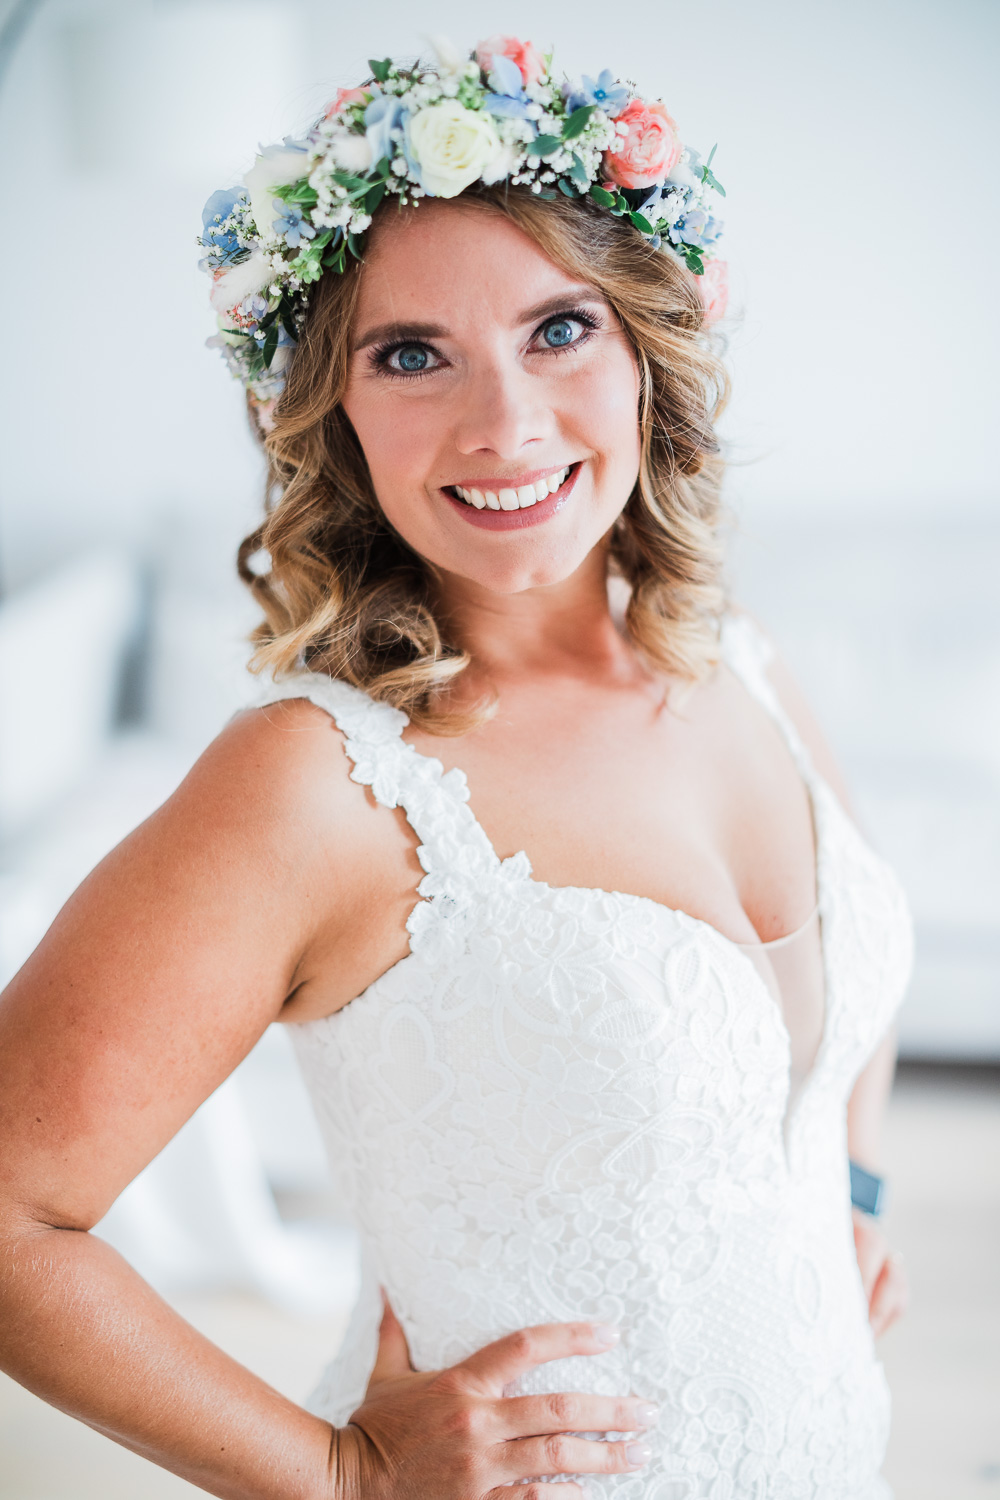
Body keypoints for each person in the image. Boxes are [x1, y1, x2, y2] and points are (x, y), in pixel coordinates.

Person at [0, 36, 912, 1499]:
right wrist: (343, 1474)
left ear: (647, 348)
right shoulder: (318, 787)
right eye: (412, 355)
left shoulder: (736, 657)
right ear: (332, 410)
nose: (505, 425)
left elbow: (850, 982)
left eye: (560, 330)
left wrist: (847, 1188)